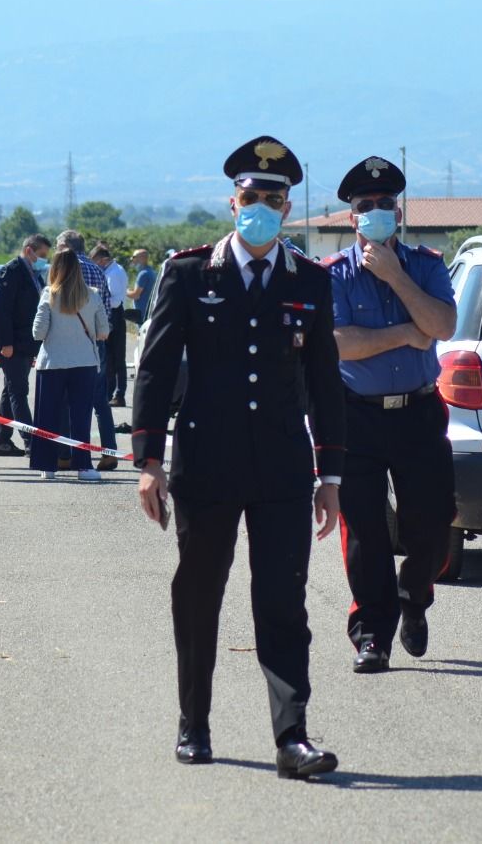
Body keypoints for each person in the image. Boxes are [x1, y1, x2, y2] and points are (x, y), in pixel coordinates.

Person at [133, 136, 346, 780]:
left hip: (283, 468)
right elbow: (156, 368)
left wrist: (330, 474)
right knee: (199, 595)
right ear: (233, 203)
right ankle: (193, 723)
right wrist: (149, 461)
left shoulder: (309, 281)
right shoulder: (190, 274)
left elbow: (325, 380)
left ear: (287, 209)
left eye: (274, 199)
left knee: (283, 602)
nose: (262, 207)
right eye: (251, 196)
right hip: (207, 464)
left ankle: (292, 737)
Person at [323, 155, 458, 674]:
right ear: (352, 217)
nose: (375, 211)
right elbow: (338, 344)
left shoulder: (425, 265)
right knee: (365, 532)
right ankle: (372, 635)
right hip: (357, 416)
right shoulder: (333, 275)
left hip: (420, 411)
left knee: (432, 522)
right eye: (365, 206)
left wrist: (398, 278)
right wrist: (404, 333)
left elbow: (442, 325)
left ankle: (414, 599)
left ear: (397, 212)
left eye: (384, 204)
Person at [30, 248, 110, 482]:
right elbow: (104, 332)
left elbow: (38, 332)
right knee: (81, 416)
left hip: (52, 363)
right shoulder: (93, 295)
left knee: (48, 416)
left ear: (54, 269)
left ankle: (48, 465)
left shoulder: (48, 294)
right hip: (84, 363)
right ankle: (84, 466)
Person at [56, 230, 119, 471]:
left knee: (67, 400)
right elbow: (106, 310)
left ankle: (67, 454)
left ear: (65, 247)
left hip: (70, 343)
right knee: (99, 401)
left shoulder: (64, 269)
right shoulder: (98, 271)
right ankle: (109, 452)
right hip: (97, 340)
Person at [0, 233, 50, 457]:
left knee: (11, 390)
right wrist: (6, 342)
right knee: (19, 391)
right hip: (12, 343)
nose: (44, 259)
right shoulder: (12, 271)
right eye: (42, 254)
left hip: (25, 343)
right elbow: (2, 310)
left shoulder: (33, 273)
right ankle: (31, 441)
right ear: (29, 250)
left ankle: (2, 441)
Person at [94, 243, 130, 406]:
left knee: (116, 357)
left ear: (104, 259)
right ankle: (110, 392)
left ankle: (118, 393)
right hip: (112, 314)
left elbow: (115, 300)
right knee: (110, 357)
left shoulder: (114, 273)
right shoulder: (111, 270)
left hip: (114, 314)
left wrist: (98, 300)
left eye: (96, 261)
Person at [125, 248, 156, 326]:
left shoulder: (143, 274)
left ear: (142, 258)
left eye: (134, 257)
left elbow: (135, 295)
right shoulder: (151, 271)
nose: (132, 259)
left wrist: (124, 291)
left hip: (142, 313)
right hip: (149, 311)